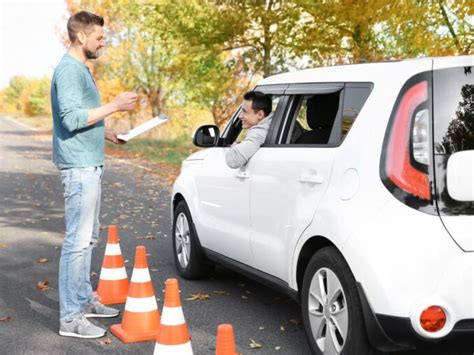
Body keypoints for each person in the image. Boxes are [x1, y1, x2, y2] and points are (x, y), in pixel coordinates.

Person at [51, 11, 137, 338]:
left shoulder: (80, 70)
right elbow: (71, 119)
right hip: (79, 167)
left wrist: (106, 132)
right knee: (77, 242)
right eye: (99, 37)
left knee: (88, 239)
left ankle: (83, 300)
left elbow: (81, 118)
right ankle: (70, 318)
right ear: (80, 37)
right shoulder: (69, 71)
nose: (103, 42)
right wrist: (114, 105)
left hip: (90, 162)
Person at [225, 91, 273, 169]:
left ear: (260, 114)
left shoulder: (259, 132)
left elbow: (232, 161)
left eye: (244, 111)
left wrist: (235, 145)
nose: (240, 116)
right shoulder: (273, 123)